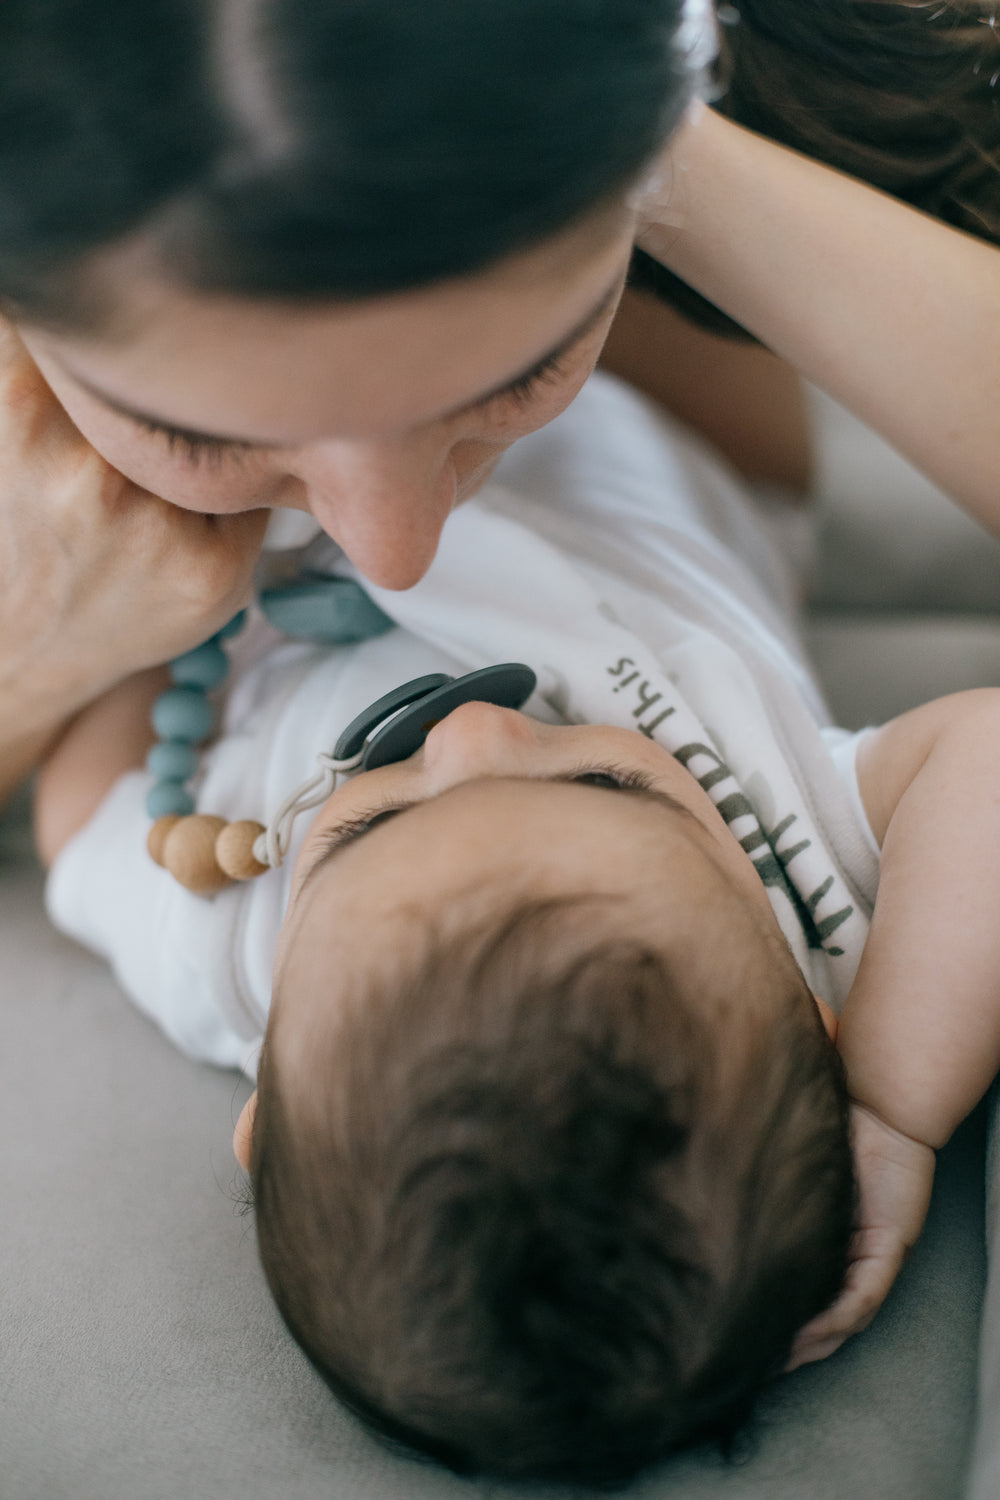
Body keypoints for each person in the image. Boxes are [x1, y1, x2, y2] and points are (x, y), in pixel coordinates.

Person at [30, 367, 998, 1483]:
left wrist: (144, 613)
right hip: (646, 410)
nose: (475, 733)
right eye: (603, 788)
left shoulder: (232, 957)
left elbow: (81, 812)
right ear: (812, 1006)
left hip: (286, 481)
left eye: (375, 822)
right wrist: (889, 1104)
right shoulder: (807, 900)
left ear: (268, 1108)